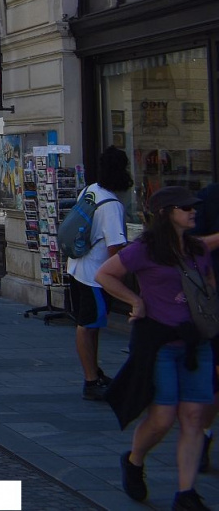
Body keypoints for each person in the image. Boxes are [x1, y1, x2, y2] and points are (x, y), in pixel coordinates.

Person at [99, 186, 219, 511]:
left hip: (196, 343)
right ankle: (134, 460)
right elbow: (105, 274)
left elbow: (208, 284)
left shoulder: (197, 248)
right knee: (163, 417)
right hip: (160, 343)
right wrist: (135, 300)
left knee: (193, 416)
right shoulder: (145, 249)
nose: (194, 212)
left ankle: (186, 493)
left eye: (194, 207)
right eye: (186, 208)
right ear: (166, 213)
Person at [67, 147, 131, 400]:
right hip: (95, 273)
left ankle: (94, 373)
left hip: (77, 267)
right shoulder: (112, 205)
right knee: (87, 326)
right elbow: (116, 248)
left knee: (90, 325)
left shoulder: (90, 191)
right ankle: (90, 380)